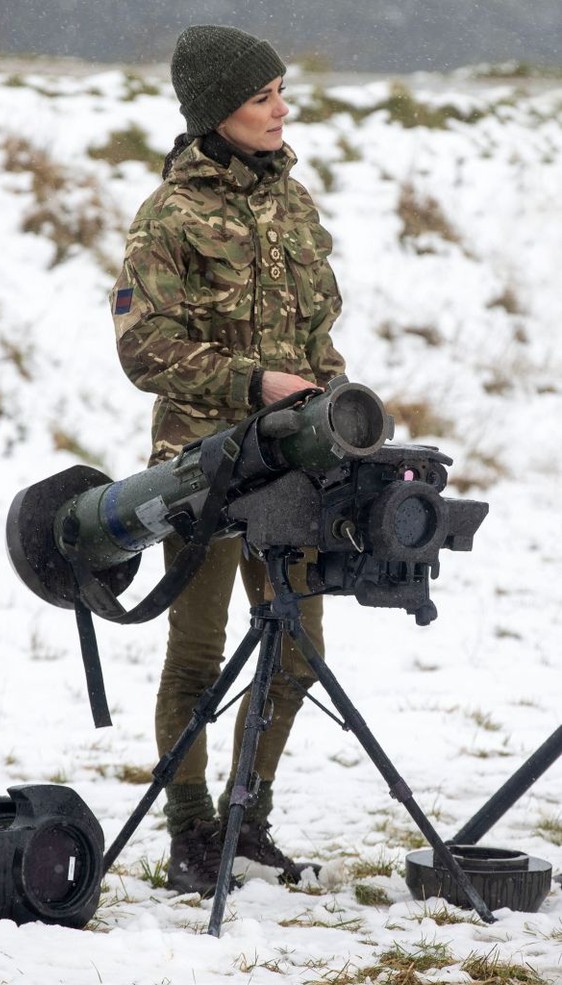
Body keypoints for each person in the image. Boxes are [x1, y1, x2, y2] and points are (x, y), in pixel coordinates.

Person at [110, 24, 345, 896]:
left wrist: (333, 410)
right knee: (199, 652)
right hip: (201, 467)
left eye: (282, 90)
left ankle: (251, 816)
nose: (283, 109)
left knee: (297, 649)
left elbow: (321, 336)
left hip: (292, 468)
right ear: (219, 113)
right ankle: (192, 832)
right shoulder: (168, 216)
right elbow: (146, 350)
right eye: (263, 97)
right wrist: (253, 384)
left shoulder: (296, 203)